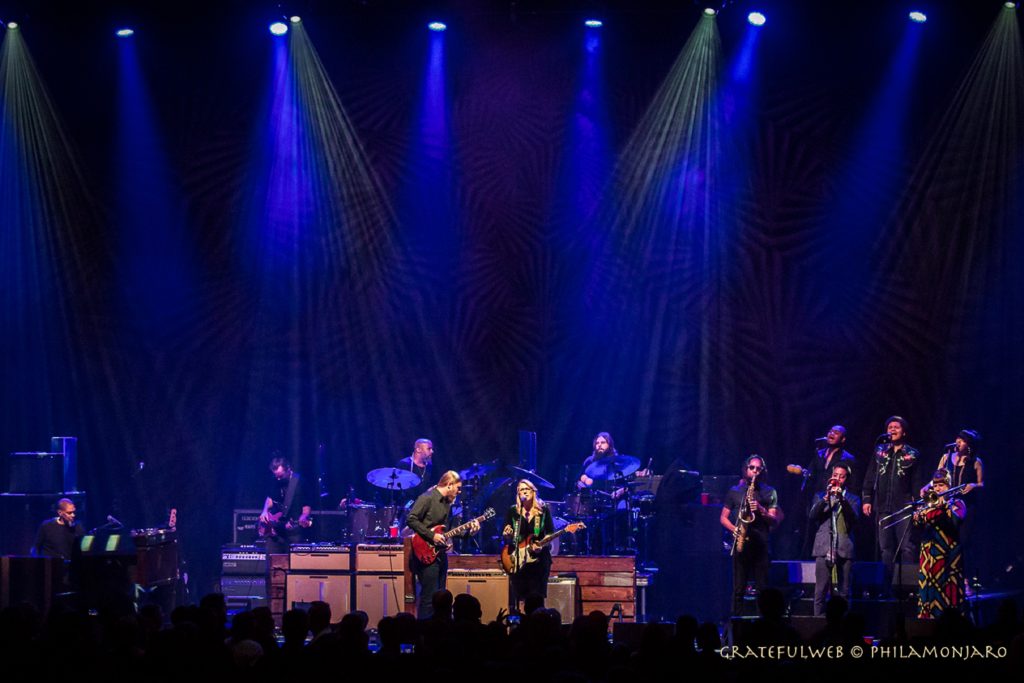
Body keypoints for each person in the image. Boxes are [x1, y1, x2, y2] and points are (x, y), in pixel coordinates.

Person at [406, 471, 480, 618]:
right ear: (449, 484)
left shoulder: (448, 504)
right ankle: (423, 635)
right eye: (458, 488)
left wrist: (468, 533)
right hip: (424, 554)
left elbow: (450, 531)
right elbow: (411, 519)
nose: (459, 491)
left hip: (440, 554)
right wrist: (432, 536)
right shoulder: (427, 498)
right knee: (428, 598)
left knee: (441, 598)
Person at [861, 415, 920, 594]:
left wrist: (917, 504)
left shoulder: (912, 454)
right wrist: (867, 499)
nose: (892, 429)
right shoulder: (880, 451)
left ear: (904, 432)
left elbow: (917, 481)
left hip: (903, 507)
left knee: (906, 547)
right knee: (885, 548)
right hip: (882, 507)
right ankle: (887, 588)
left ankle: (907, 588)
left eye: (896, 427)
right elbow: (870, 476)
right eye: (890, 427)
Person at [720, 455, 781, 615]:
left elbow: (774, 520)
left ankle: (763, 624)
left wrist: (761, 510)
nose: (755, 471)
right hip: (742, 543)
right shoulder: (735, 491)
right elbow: (723, 517)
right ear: (745, 469)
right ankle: (736, 623)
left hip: (761, 544)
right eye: (751, 468)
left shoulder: (770, 492)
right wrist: (734, 529)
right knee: (738, 588)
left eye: (758, 468)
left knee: (762, 589)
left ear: (762, 471)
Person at [808, 463, 860, 616]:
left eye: (841, 476)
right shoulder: (819, 496)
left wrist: (841, 499)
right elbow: (812, 516)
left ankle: (844, 628)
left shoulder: (853, 499)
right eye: (835, 475)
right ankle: (817, 624)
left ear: (846, 479)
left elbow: (854, 519)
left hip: (845, 547)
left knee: (844, 591)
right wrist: (826, 499)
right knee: (820, 591)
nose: (837, 479)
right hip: (824, 547)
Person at [914, 469, 967, 619]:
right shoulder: (930, 503)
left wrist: (943, 505)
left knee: (946, 591)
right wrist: (923, 510)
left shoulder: (957, 503)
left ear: (948, 486)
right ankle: (926, 620)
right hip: (928, 556)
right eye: (936, 486)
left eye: (941, 485)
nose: (938, 489)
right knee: (927, 590)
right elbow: (916, 522)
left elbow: (956, 521)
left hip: (948, 556)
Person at [502, 479, 555, 610]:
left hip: (539, 561)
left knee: (536, 599)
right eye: (521, 489)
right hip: (518, 561)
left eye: (527, 489)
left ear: (533, 492)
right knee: (519, 597)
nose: (524, 491)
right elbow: (507, 534)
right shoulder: (513, 511)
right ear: (518, 494)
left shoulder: (543, 510)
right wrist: (507, 535)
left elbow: (550, 533)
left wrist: (542, 545)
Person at [259, 456, 312, 554]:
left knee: (294, 562)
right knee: (272, 562)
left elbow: (306, 504)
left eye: (281, 476)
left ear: (288, 469)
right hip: (275, 530)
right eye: (276, 476)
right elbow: (270, 498)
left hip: (293, 530)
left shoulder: (300, 482)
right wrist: (265, 511)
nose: (278, 479)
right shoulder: (274, 480)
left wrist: (304, 516)